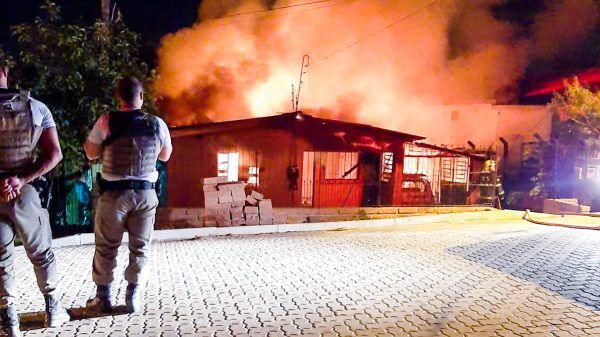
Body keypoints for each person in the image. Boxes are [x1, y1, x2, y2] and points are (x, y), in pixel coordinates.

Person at [83, 76, 172, 314]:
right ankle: (133, 296)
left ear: (118, 97)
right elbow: (165, 156)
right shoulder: (157, 124)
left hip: (113, 195)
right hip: (144, 195)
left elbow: (90, 152)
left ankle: (103, 299)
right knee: (140, 247)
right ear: (141, 96)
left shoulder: (106, 120)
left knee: (106, 247)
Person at [0, 59, 70, 336]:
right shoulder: (37, 108)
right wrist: (20, 179)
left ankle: (9, 321)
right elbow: (55, 154)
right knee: (42, 253)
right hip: (26, 192)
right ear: (6, 71)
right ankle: (53, 310)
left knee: (1, 257)